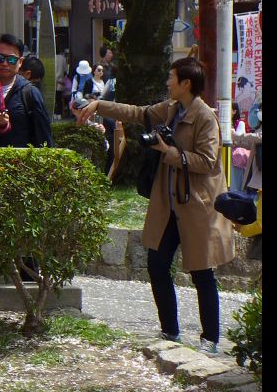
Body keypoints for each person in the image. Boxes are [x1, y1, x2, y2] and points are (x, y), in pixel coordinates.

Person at [77, 58, 235, 353]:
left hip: (197, 207)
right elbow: (138, 113)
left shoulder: (204, 117)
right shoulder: (171, 108)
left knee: (202, 273)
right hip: (169, 204)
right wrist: (99, 106)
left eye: (172, 77)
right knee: (157, 265)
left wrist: (170, 151)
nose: (167, 82)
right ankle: (170, 332)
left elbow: (208, 161)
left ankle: (210, 339)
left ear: (186, 83)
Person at [0, 34, 54, 147]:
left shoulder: (30, 93)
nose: (5, 64)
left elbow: (44, 137)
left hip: (18, 162)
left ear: (20, 62)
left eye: (11, 59)